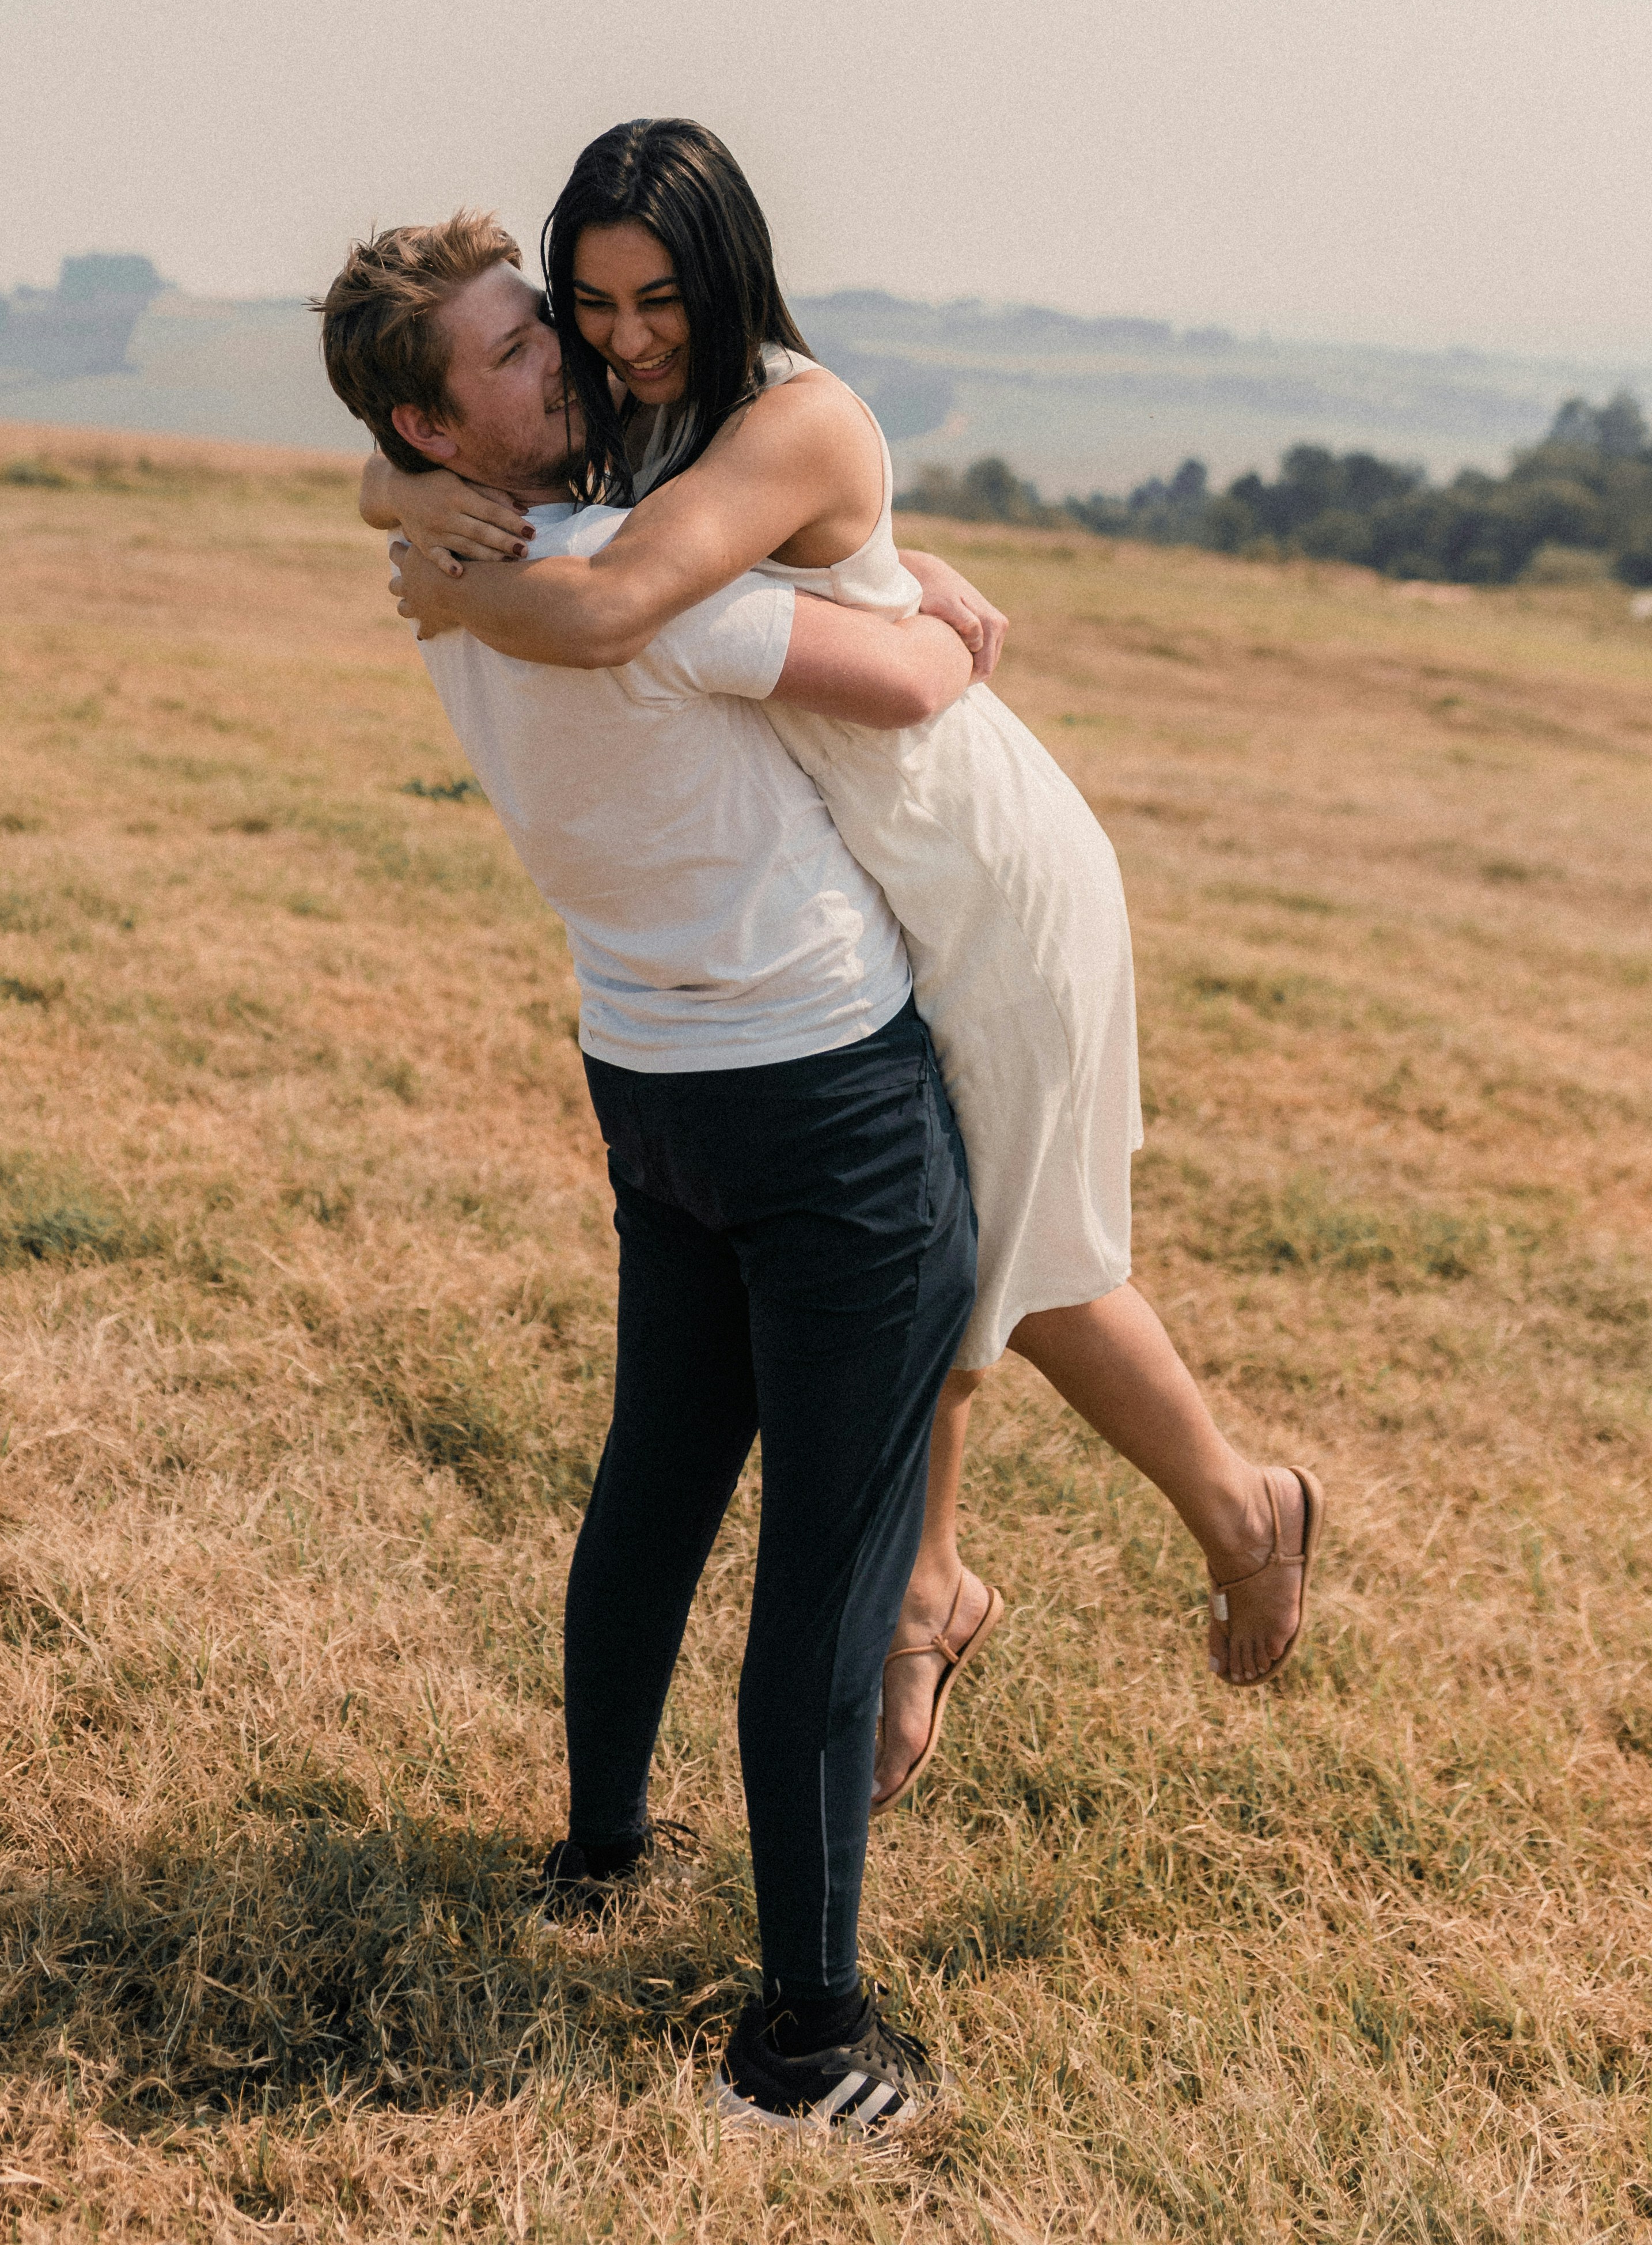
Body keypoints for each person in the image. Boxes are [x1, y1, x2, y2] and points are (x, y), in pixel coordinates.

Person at [370, 120, 1324, 1815]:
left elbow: (606, 612)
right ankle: (934, 1592)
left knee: (1006, 1250)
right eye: (586, 305)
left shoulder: (790, 413)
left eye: (657, 297)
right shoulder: (649, 412)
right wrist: (403, 490)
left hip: (971, 852)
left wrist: (452, 585)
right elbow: (454, 471)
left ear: (726, 271)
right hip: (869, 867)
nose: (624, 335)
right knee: (945, 1237)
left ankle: (1238, 1517)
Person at [319, 209, 977, 2140]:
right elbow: (922, 688)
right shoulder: (633, 578)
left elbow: (406, 487)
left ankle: (601, 1851)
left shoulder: (453, 571)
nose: (573, 362)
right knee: (835, 1571)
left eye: (556, 330)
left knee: (657, 1484)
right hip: (826, 1098)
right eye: (526, 354)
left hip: (652, 1081)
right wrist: (920, 589)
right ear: (447, 427)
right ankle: (811, 2033)